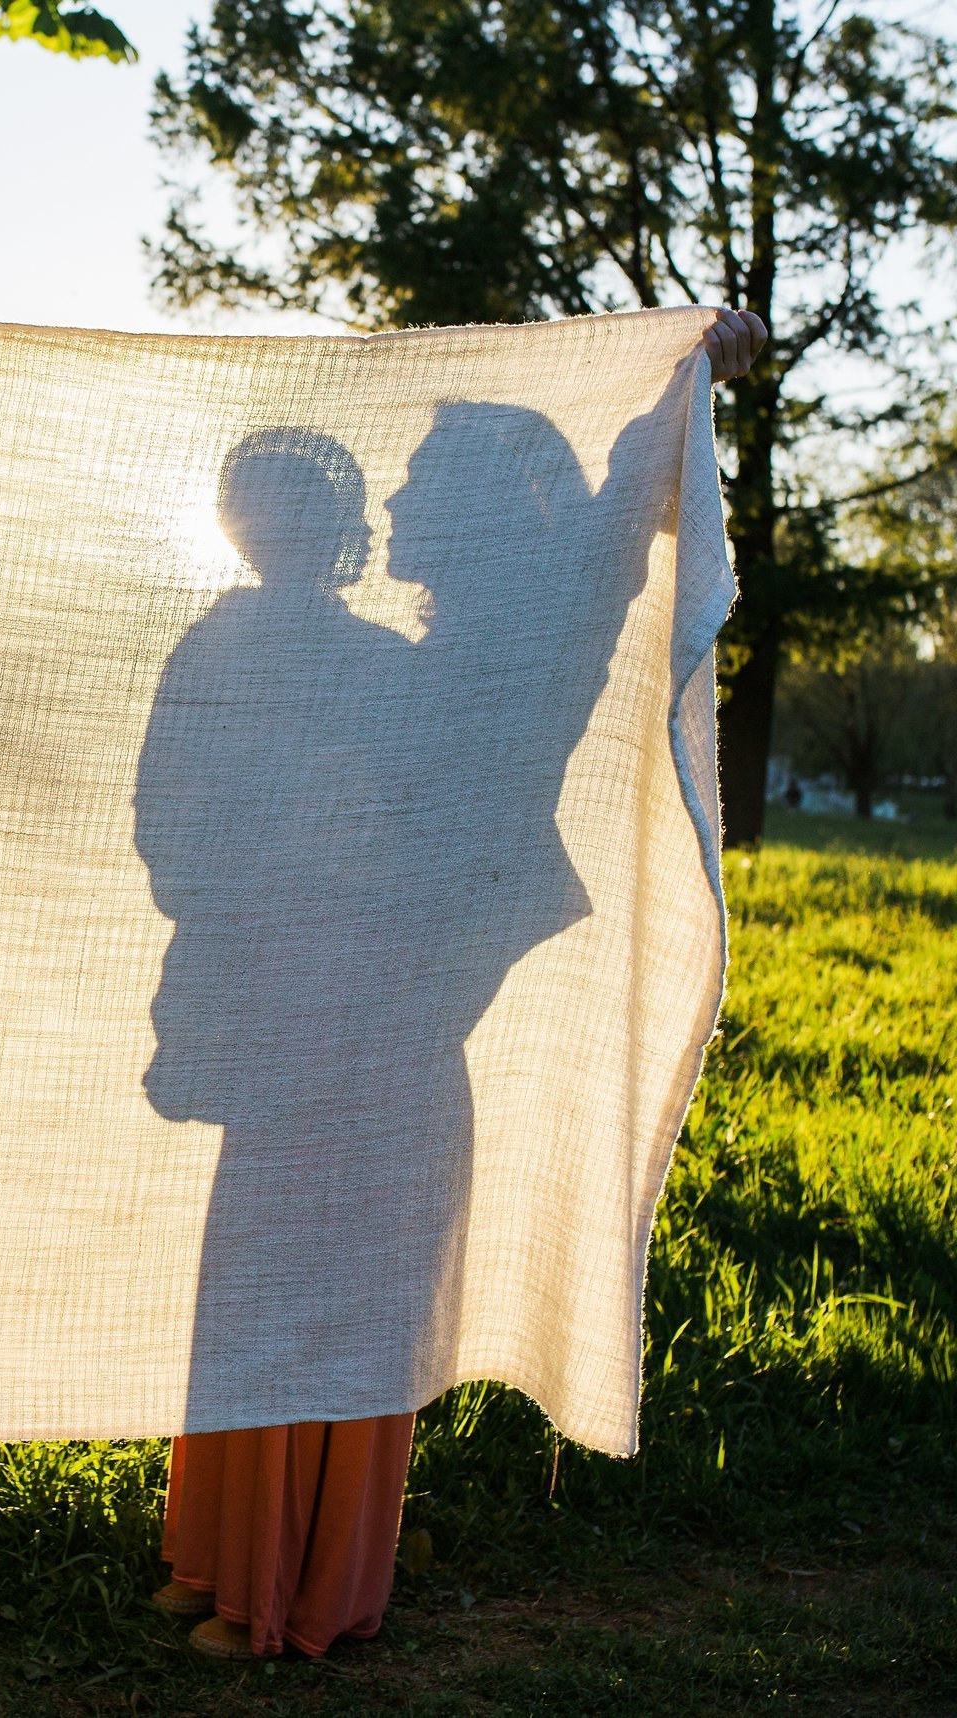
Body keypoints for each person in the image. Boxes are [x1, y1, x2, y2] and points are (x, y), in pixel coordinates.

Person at [147, 308, 768, 1659]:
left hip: (382, 1043)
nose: (403, 493)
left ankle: (292, 1595)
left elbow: (606, 541)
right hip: (296, 1026)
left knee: (338, 1292)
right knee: (265, 1276)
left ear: (492, 508)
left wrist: (687, 369)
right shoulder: (393, 658)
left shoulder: (512, 667)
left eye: (431, 480)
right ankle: (218, 1558)